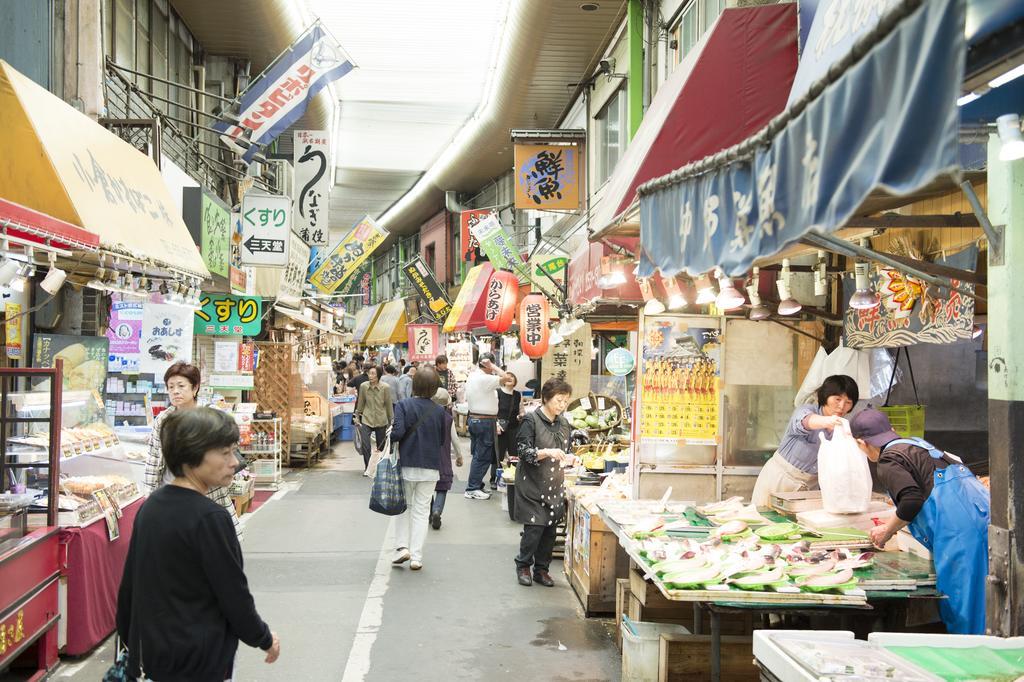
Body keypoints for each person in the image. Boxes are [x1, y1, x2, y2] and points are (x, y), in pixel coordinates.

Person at [116, 408, 280, 681]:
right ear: (192, 456)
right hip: (199, 659)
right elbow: (233, 594)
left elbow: (130, 586)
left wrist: (133, 644)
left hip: (152, 657)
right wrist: (263, 638)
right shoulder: (211, 517)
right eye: (225, 453)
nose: (234, 462)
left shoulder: (151, 507)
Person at [851, 409, 989, 634]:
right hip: (984, 520)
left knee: (965, 607)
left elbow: (911, 501)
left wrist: (887, 531)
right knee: (989, 601)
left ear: (861, 443)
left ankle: (973, 662)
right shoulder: (918, 444)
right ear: (891, 431)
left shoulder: (888, 460)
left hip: (960, 535)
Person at [144, 361, 241, 538]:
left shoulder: (209, 417)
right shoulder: (163, 419)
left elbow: (230, 446)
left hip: (207, 492)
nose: (175, 391)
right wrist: (148, 497)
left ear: (195, 388)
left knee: (209, 539)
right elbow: (153, 458)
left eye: (181, 386)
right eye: (171, 386)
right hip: (171, 490)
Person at [750, 374, 859, 508]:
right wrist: (827, 421)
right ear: (825, 397)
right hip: (780, 479)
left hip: (810, 488)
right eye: (837, 399)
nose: (842, 406)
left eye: (848, 402)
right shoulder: (806, 410)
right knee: (765, 521)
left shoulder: (843, 429)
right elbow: (806, 421)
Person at [514, 377, 576, 587]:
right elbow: (522, 452)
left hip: (554, 483)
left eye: (565, 401)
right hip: (532, 483)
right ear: (547, 398)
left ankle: (542, 570)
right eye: (559, 400)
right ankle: (523, 565)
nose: (562, 405)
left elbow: (566, 451)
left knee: (550, 531)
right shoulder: (531, 420)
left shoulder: (564, 423)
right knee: (534, 529)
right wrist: (546, 452)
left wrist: (571, 458)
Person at [390, 366, 446, 570]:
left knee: (403, 508)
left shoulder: (403, 405)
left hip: (407, 464)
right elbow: (441, 440)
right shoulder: (439, 410)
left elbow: (397, 434)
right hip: (430, 466)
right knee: (422, 512)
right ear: (434, 388)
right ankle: (416, 557)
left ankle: (401, 547)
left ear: (415, 385)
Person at [464, 354, 503, 499]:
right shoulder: (484, 378)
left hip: (476, 419)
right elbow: (509, 379)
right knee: (482, 456)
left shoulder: (473, 376)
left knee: (478, 455)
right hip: (484, 421)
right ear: (488, 365)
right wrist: (493, 367)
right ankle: (472, 488)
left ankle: (476, 485)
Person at [429, 387, 464, 530]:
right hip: (443, 458)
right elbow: (455, 439)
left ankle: (430, 512)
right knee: (442, 488)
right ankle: (437, 510)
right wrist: (459, 456)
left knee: (426, 487)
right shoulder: (448, 419)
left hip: (426, 457)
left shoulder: (425, 415)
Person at [354, 366, 394, 471]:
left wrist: (391, 421)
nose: (370, 376)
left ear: (378, 376)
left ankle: (379, 468)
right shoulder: (363, 386)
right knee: (365, 445)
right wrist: (357, 417)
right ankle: (368, 467)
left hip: (381, 420)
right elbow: (361, 402)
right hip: (367, 419)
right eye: (369, 373)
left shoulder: (385, 388)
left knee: (381, 446)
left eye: (373, 374)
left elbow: (388, 405)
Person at [496, 371, 523, 468]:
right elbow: (493, 411)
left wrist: (521, 416)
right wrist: (496, 425)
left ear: (515, 381)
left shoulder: (517, 395)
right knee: (498, 454)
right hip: (500, 428)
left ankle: (513, 476)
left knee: (514, 454)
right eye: (507, 376)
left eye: (512, 376)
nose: (510, 377)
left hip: (514, 428)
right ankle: (495, 477)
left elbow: (521, 410)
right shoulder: (498, 392)